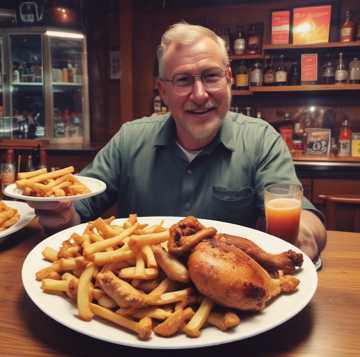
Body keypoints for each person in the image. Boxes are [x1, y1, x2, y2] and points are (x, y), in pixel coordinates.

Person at [30, 22, 326, 260]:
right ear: (163, 91)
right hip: (139, 302)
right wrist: (58, 215)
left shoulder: (262, 140)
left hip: (229, 293)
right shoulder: (129, 139)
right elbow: (76, 213)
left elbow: (309, 223)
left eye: (211, 76)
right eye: (183, 80)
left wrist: (302, 240)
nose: (199, 94)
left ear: (228, 79)